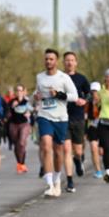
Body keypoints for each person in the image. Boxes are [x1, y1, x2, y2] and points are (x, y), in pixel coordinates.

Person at [34, 49, 77, 198]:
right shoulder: (39, 77)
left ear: (56, 61)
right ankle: (49, 184)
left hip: (60, 118)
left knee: (59, 151)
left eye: (51, 59)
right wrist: (36, 96)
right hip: (44, 115)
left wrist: (58, 94)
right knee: (46, 145)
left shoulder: (63, 78)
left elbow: (74, 96)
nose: (48, 62)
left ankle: (58, 180)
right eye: (46, 59)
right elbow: (37, 93)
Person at [62, 51, 90, 193]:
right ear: (63, 62)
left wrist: (85, 100)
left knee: (77, 150)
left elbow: (91, 94)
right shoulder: (59, 78)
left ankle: (78, 161)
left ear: (76, 62)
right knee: (67, 149)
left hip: (78, 118)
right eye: (67, 60)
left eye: (72, 60)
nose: (69, 62)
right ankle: (70, 181)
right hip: (63, 118)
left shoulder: (81, 79)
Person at [7, 84, 32, 173]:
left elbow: (32, 110)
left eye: (20, 90)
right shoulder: (12, 101)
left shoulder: (27, 101)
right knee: (17, 145)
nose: (19, 92)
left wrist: (29, 113)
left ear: (24, 91)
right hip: (13, 124)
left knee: (21, 143)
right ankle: (19, 163)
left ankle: (22, 163)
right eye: (17, 90)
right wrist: (12, 107)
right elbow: (7, 112)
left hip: (24, 124)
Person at [86, 82, 105, 178]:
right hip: (92, 127)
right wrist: (85, 131)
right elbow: (85, 117)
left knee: (102, 151)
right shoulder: (88, 102)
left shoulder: (105, 101)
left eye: (96, 91)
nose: (94, 93)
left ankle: (108, 165)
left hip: (104, 127)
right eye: (92, 91)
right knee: (94, 149)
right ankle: (98, 171)